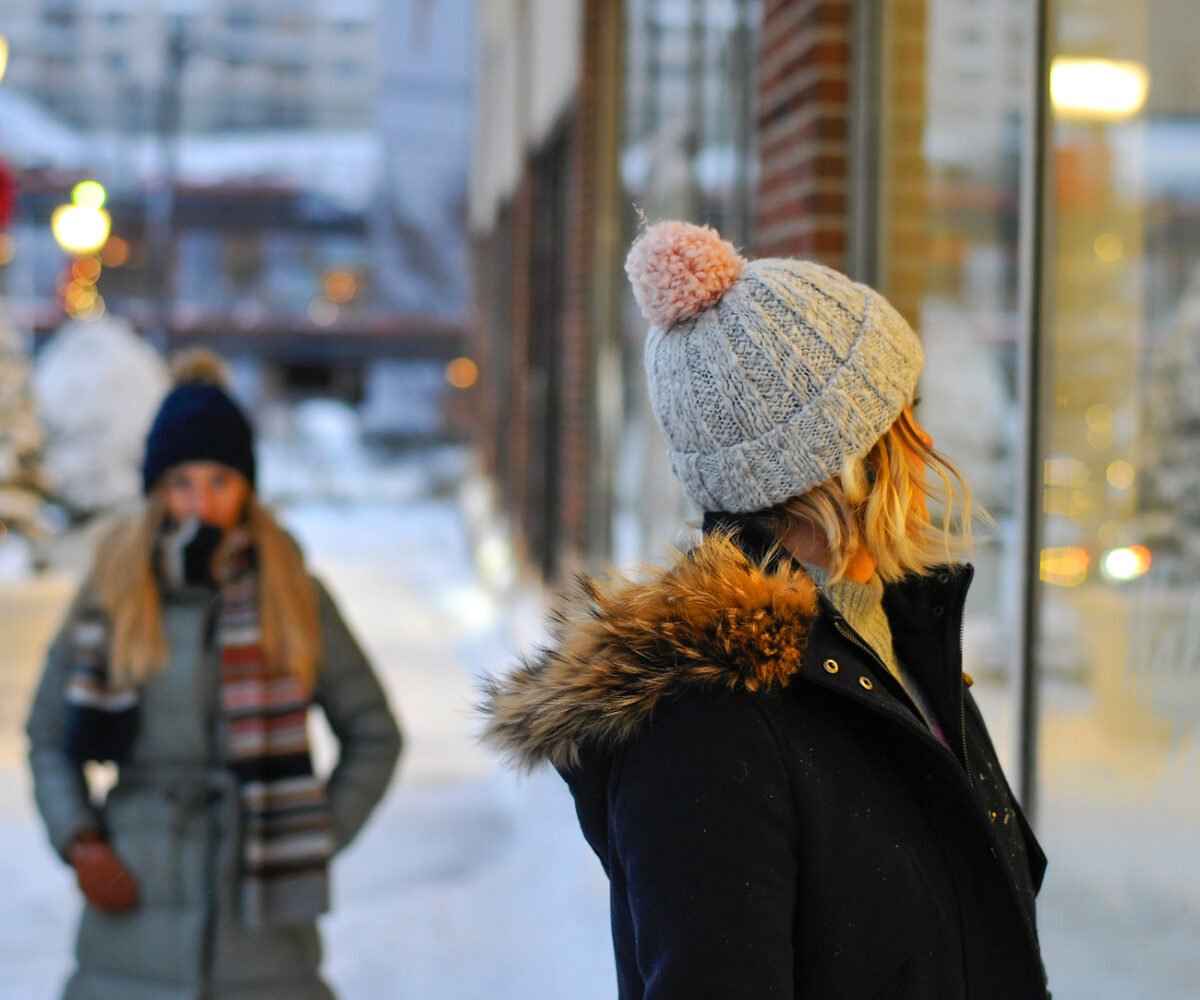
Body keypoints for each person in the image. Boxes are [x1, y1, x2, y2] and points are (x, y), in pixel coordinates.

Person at [481, 221, 1049, 998]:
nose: (925, 446)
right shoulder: (708, 723)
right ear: (841, 462)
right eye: (901, 414)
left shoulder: (897, 637)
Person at [26, 350, 403, 1000]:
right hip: (131, 918)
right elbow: (50, 738)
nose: (199, 503)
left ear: (247, 487)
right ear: (156, 490)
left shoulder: (295, 595)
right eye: (180, 483)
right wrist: (81, 841)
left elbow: (374, 734)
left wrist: (312, 835)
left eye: (219, 482)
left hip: (264, 942)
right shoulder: (111, 595)